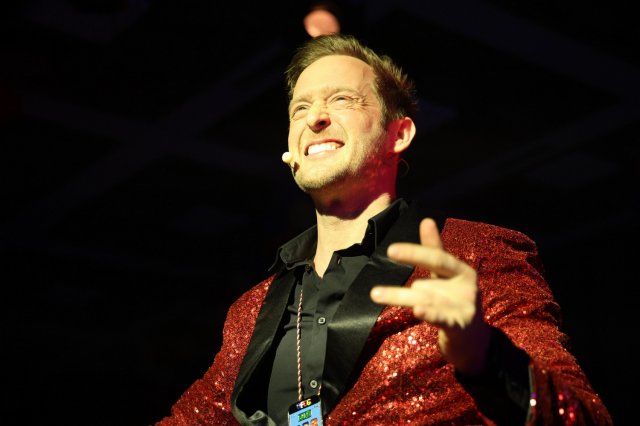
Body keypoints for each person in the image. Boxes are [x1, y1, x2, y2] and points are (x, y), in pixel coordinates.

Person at [156, 34, 611, 425]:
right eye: (300, 108)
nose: (315, 118)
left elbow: (584, 416)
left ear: (400, 133)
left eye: (341, 100)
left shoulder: (475, 252)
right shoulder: (250, 310)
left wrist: (485, 354)